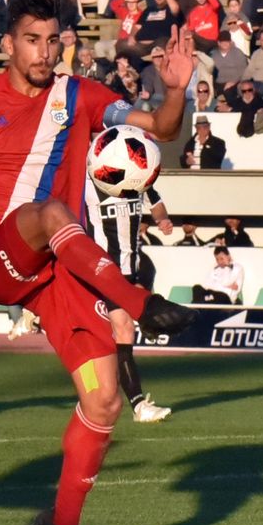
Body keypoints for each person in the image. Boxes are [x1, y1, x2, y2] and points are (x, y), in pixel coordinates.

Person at [0, 0, 197, 525]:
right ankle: (142, 303)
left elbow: (161, 129)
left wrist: (175, 89)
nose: (45, 52)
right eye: (32, 39)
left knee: (103, 402)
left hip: (63, 267)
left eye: (54, 40)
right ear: (7, 43)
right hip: (4, 252)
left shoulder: (81, 96)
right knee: (48, 210)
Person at [84, 168, 176, 424]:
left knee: (119, 332)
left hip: (130, 268)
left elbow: (156, 203)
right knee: (120, 330)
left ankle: (132, 404)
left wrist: (163, 219)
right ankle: (137, 405)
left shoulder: (137, 178)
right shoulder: (88, 179)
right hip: (103, 268)